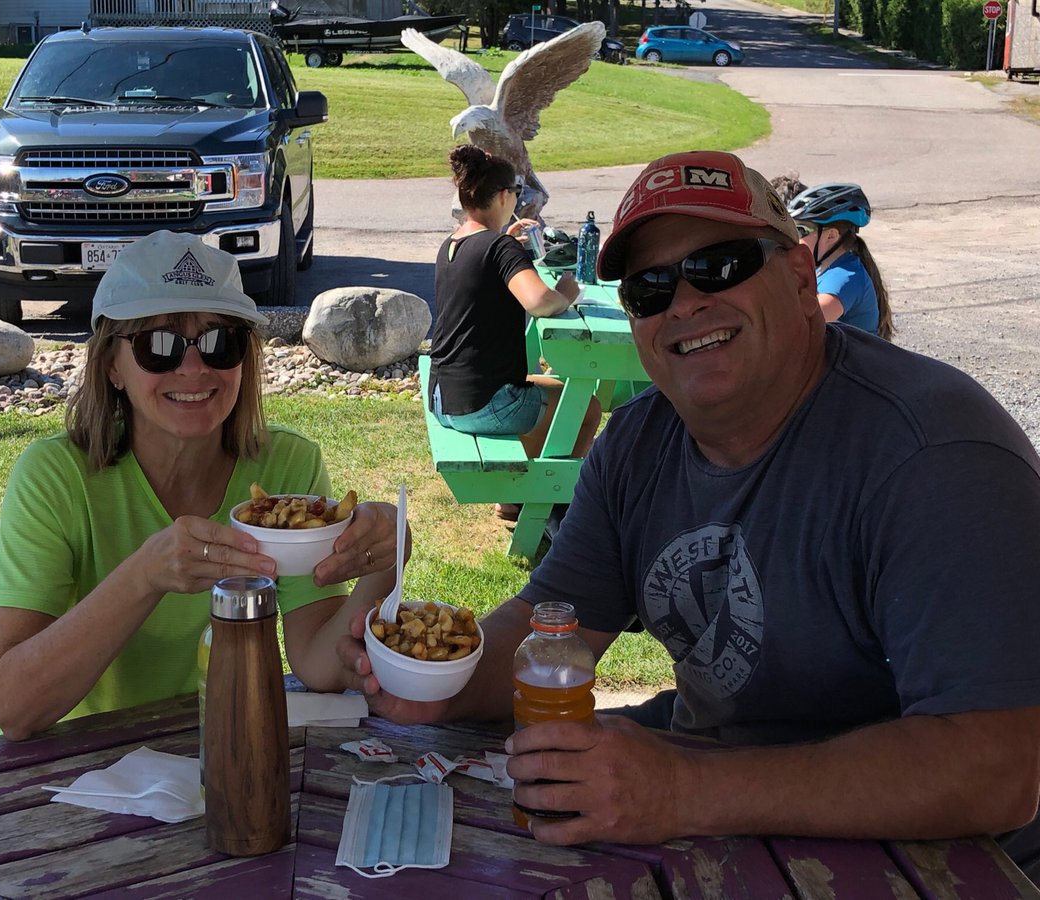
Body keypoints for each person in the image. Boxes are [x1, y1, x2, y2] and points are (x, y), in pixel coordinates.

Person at [341, 150, 1040, 877]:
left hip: (940, 862)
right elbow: (552, 626)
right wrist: (438, 683)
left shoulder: (935, 454)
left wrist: (685, 789)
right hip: (722, 818)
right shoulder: (640, 443)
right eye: (648, 288)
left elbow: (996, 767)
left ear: (801, 279)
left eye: (721, 265)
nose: (683, 302)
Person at [0, 230, 402, 742]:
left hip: (186, 747)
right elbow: (14, 707)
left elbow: (317, 663)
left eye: (221, 342)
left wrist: (384, 563)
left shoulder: (286, 466)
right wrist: (145, 576)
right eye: (159, 345)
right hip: (49, 761)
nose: (193, 368)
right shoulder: (54, 477)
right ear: (112, 366)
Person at [428, 144, 602, 522]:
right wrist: (567, 295)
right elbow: (540, 301)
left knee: (551, 388)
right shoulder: (500, 247)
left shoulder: (453, 245)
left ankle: (512, 499)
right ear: (506, 195)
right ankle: (551, 504)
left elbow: (486, 268)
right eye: (518, 194)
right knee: (585, 407)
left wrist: (507, 238)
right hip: (482, 404)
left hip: (443, 396)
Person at [788, 181, 894, 340]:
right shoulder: (830, 267)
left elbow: (801, 324)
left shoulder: (844, 277)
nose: (794, 239)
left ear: (831, 236)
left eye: (801, 230)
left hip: (854, 364)